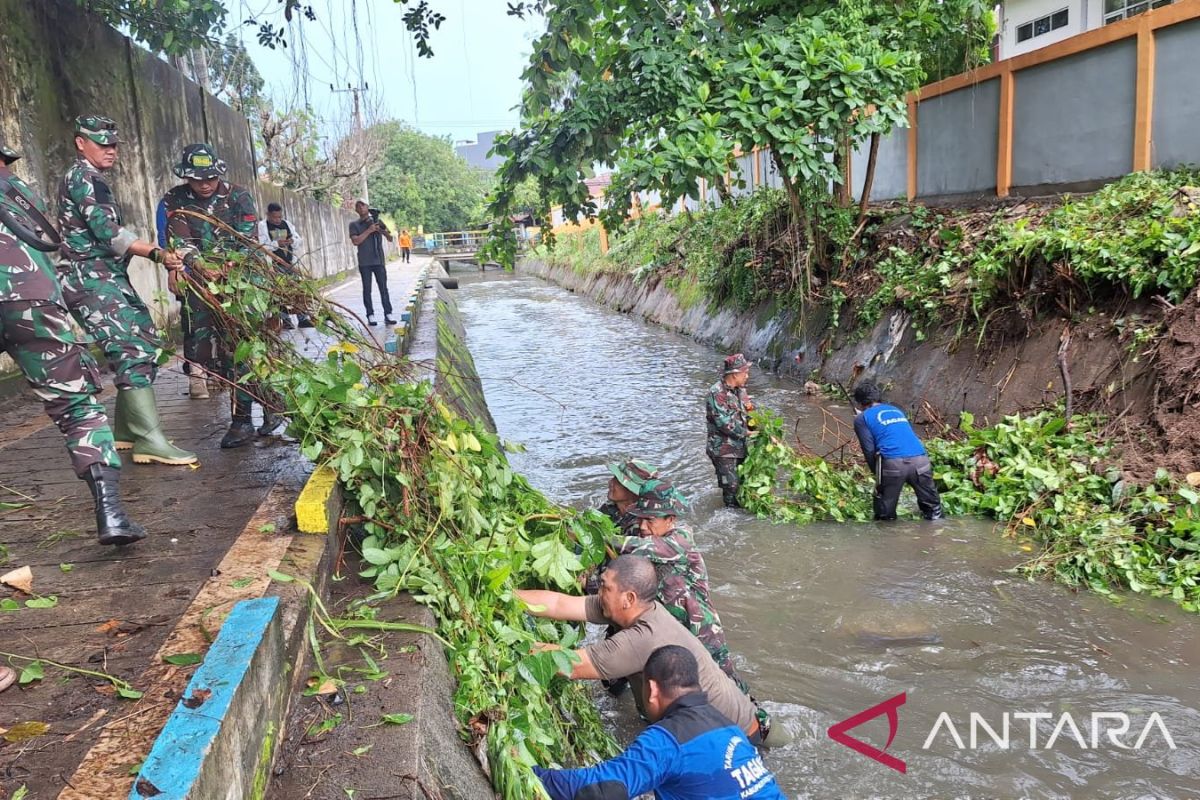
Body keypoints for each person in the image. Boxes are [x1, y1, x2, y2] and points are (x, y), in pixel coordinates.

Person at [0, 143, 144, 546]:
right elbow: (54, 248)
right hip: (35, 300)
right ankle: (111, 514)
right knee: (76, 405)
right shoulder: (22, 194)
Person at [516, 555, 785, 747]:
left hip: (742, 735)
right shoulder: (628, 608)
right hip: (719, 720)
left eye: (606, 586)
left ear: (628, 598)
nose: (600, 590)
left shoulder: (642, 638)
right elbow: (561, 604)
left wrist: (512, 642)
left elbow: (569, 665)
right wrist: (507, 595)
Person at [57, 115, 196, 467]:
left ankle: (127, 431)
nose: (110, 150)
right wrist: (157, 253)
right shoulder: (84, 179)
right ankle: (150, 440)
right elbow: (108, 231)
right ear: (80, 143)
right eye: (101, 143)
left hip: (106, 277)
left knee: (143, 335)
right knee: (131, 348)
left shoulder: (90, 179)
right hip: (90, 279)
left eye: (114, 144)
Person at [534, 645, 786, 800]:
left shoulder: (667, 740)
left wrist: (531, 773)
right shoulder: (730, 727)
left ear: (652, 689)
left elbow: (600, 790)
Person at [160, 143, 283, 447]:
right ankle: (270, 402)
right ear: (186, 177)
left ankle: (242, 421)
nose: (205, 184)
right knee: (204, 352)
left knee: (241, 348)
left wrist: (228, 265)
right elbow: (178, 239)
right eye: (198, 179)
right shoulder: (174, 199)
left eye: (211, 179)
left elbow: (247, 240)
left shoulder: (238, 196)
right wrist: (196, 266)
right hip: (202, 284)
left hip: (243, 282)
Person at [617, 483, 747, 693]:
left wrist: (596, 537)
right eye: (640, 518)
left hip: (700, 629)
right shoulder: (649, 540)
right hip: (670, 630)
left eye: (650, 520)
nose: (642, 526)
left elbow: (638, 548)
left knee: (726, 686)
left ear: (671, 520)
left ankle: (758, 721)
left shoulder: (679, 540)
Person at [851, 381, 944, 521]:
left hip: (893, 465)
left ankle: (889, 539)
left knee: (885, 515)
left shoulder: (861, 419)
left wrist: (878, 476)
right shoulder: (896, 410)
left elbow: (869, 450)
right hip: (921, 461)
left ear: (859, 403)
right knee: (934, 510)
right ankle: (935, 536)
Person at [706, 353, 755, 507]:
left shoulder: (741, 391)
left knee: (746, 483)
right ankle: (731, 514)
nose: (747, 376)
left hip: (741, 446)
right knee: (731, 487)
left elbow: (750, 414)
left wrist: (763, 432)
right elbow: (724, 423)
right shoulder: (716, 393)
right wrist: (748, 433)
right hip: (723, 450)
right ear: (734, 374)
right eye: (744, 372)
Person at [257, 201, 311, 328]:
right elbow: (261, 245)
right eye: (274, 217)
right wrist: (276, 244)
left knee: (298, 291)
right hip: (274, 265)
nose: (277, 220)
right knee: (279, 293)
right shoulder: (262, 226)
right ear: (268, 215)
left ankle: (302, 318)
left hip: (290, 263)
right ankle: (285, 320)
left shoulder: (287, 224)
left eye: (279, 217)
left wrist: (292, 241)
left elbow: (298, 239)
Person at [348, 201, 395, 326]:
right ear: (356, 210)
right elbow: (356, 241)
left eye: (363, 205)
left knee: (383, 288)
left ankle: (388, 313)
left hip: (379, 260)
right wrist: (369, 230)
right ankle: (370, 314)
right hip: (365, 262)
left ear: (367, 207)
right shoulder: (354, 225)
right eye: (358, 206)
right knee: (367, 289)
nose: (361, 207)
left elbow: (390, 238)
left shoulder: (377, 222)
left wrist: (381, 230)